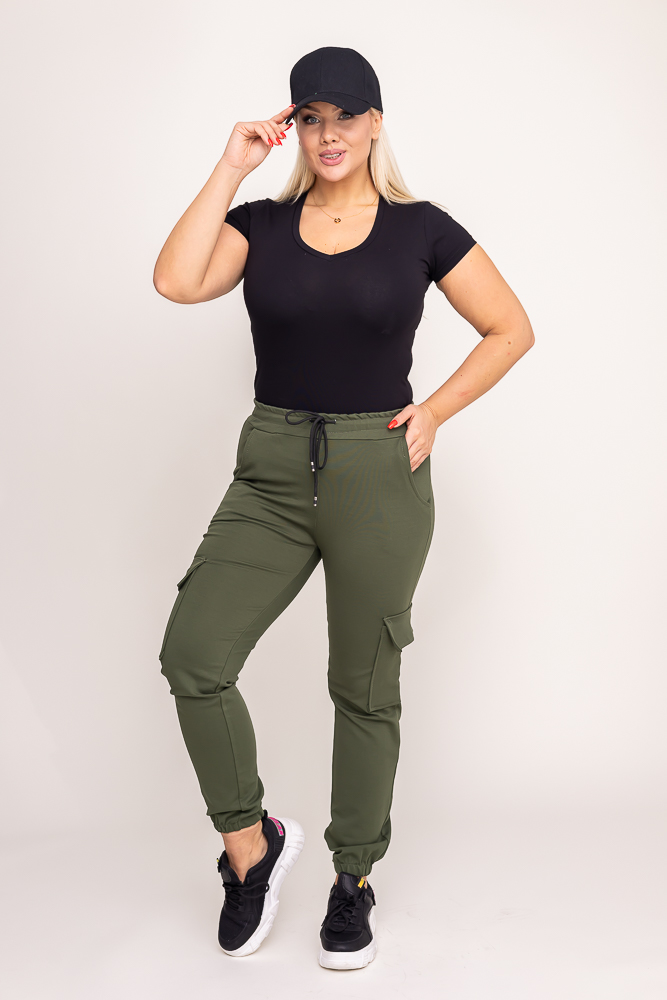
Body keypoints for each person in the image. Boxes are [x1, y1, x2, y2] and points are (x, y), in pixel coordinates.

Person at [153, 45, 534, 971]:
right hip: (271, 470)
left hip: (378, 471)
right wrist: (231, 165)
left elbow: (509, 328)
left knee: (362, 687)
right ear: (294, 128)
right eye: (311, 119)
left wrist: (433, 411)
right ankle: (250, 848)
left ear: (374, 123)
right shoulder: (260, 223)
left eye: (346, 117)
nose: (329, 136)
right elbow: (176, 281)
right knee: (193, 656)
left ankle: (352, 877)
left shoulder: (420, 228)